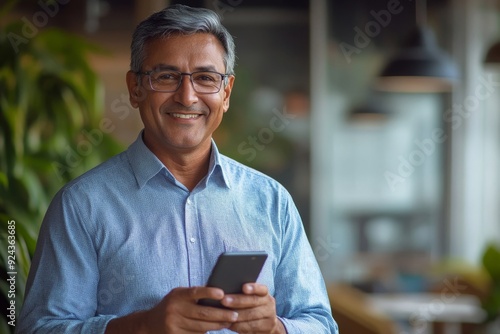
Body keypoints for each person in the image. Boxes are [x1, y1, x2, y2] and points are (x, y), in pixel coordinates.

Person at [18, 4, 338, 334]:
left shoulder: (271, 201)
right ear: (135, 88)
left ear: (225, 93)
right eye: (166, 77)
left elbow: (321, 324)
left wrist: (276, 329)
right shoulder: (82, 206)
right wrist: (142, 326)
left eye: (205, 78)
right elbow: (38, 329)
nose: (187, 97)